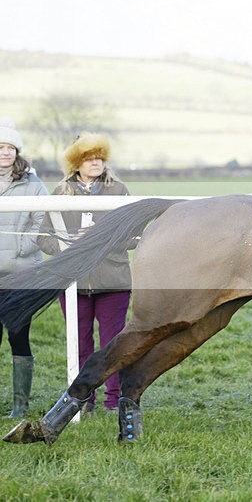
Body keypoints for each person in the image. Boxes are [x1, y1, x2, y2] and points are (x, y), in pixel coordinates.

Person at [37, 133, 132, 413]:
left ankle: (114, 400)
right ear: (76, 162)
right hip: (73, 283)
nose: (96, 162)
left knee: (113, 345)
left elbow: (134, 236)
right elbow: (44, 238)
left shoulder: (120, 190)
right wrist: (68, 244)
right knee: (79, 344)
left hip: (113, 282)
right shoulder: (60, 193)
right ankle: (83, 400)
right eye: (89, 158)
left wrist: (105, 236)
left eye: (99, 157)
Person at [0, 117, 48, 418]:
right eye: (0, 147)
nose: (5, 152)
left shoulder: (32, 183)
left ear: (17, 152)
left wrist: (23, 246)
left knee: (19, 335)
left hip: (21, 272)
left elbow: (42, 220)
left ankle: (20, 406)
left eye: (9, 147)